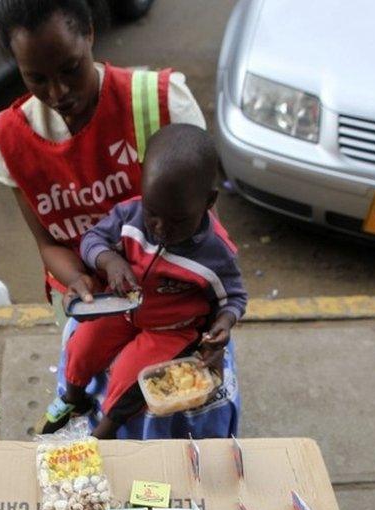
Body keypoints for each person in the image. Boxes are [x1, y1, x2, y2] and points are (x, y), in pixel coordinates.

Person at [0, 0, 241, 439]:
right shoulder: (10, 141)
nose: (59, 93)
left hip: (174, 308)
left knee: (160, 413)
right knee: (83, 368)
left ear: (89, 33)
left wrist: (212, 322)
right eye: (36, 78)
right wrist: (83, 282)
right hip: (92, 304)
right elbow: (49, 244)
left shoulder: (160, 103)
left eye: (70, 69)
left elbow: (204, 233)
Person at [42, 124, 247, 438]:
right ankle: (73, 398)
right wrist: (110, 260)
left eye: (177, 220)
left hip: (173, 328)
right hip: (125, 309)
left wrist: (225, 321)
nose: (161, 228)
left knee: (131, 375)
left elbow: (234, 297)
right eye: (153, 213)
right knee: (81, 346)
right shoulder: (130, 215)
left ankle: (105, 431)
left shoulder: (215, 253)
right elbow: (91, 241)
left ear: (208, 202)